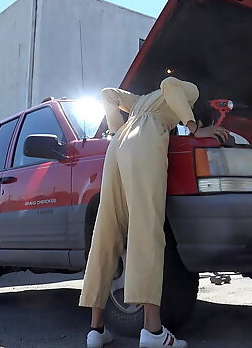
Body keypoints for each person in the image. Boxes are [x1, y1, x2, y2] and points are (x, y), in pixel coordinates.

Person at [79, 76, 229, 348]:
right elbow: (170, 85)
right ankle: (152, 330)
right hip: (146, 141)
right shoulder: (192, 91)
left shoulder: (139, 102)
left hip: (116, 147)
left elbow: (107, 93)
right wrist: (194, 128)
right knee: (146, 227)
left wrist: (116, 130)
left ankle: (96, 329)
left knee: (106, 228)